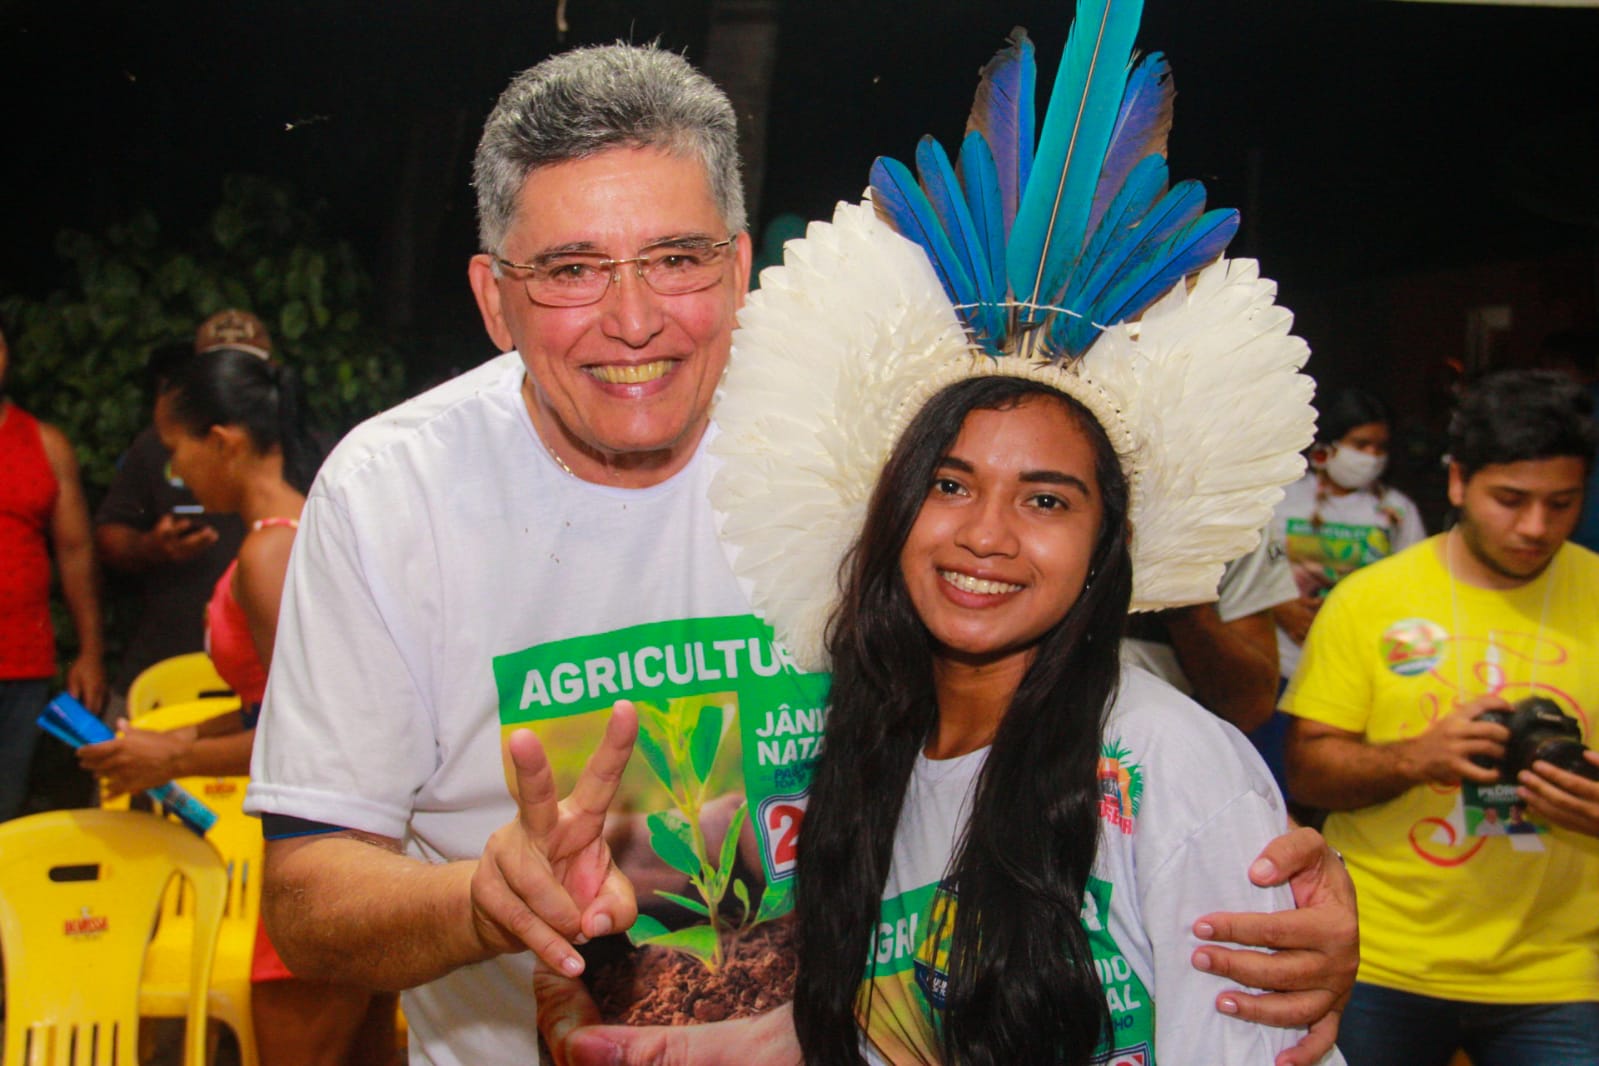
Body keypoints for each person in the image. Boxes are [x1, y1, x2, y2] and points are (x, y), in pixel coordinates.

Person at [243, 41, 1355, 1066]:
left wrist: (1237, 872)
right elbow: (303, 897)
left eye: (675, 257)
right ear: (495, 298)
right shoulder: (393, 495)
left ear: (737, 266)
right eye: (571, 268)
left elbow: (1043, 722)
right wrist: (482, 903)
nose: (633, 319)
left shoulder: (867, 445)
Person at [802, 377, 1339, 1063]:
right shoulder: (865, 740)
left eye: (1045, 501)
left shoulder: (1161, 756)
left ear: (1104, 547)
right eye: (949, 485)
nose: (985, 535)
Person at [78, 348, 395, 1066]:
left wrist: (175, 757)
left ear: (222, 442)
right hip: (352, 844)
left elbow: (311, 740)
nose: (174, 473)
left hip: (323, 848)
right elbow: (272, 707)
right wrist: (173, 740)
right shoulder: (300, 530)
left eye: (175, 451)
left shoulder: (271, 555)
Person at [1282, 369, 1599, 1065]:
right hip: (1380, 956)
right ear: (1458, 482)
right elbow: (1306, 772)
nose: (1534, 527)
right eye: (1509, 500)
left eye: (1561, 503)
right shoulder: (1370, 599)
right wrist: (1415, 758)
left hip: (1560, 973)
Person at [94, 311, 265, 713]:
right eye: (217, 367)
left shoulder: (304, 450)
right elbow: (107, 534)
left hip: (258, 680)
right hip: (166, 661)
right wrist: (149, 546)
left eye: (244, 367)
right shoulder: (158, 441)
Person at [0, 311, 106, 820]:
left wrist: (90, 651)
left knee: (6, 812)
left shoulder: (44, 443)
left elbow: (75, 550)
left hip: (21, 662)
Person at [1271, 388, 1426, 684]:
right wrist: (1279, 607)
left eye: (1380, 447)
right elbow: (1246, 572)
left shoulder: (1398, 510)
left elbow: (1414, 584)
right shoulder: (1282, 499)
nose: (1372, 456)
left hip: (1358, 665)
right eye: (1361, 444)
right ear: (1328, 444)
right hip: (1282, 664)